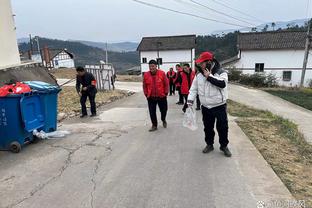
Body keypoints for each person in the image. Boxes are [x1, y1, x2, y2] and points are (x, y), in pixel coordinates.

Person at [187, 52, 232, 157]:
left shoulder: (221, 72)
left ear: (209, 62)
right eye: (199, 63)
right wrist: (190, 101)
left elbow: (222, 84)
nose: (200, 65)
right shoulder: (198, 75)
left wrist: (209, 77)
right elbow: (194, 89)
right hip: (206, 107)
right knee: (208, 127)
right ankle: (209, 144)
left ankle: (224, 146)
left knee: (222, 127)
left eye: (202, 63)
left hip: (219, 106)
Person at [143, 60, 169, 132]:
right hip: (151, 97)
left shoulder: (162, 73)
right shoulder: (146, 75)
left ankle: (163, 119)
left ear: (156, 66)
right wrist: (146, 94)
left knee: (164, 110)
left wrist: (166, 93)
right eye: (150, 66)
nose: (151, 68)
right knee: (152, 112)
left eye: (153, 66)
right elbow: (144, 86)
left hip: (161, 96)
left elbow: (166, 84)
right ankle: (154, 125)